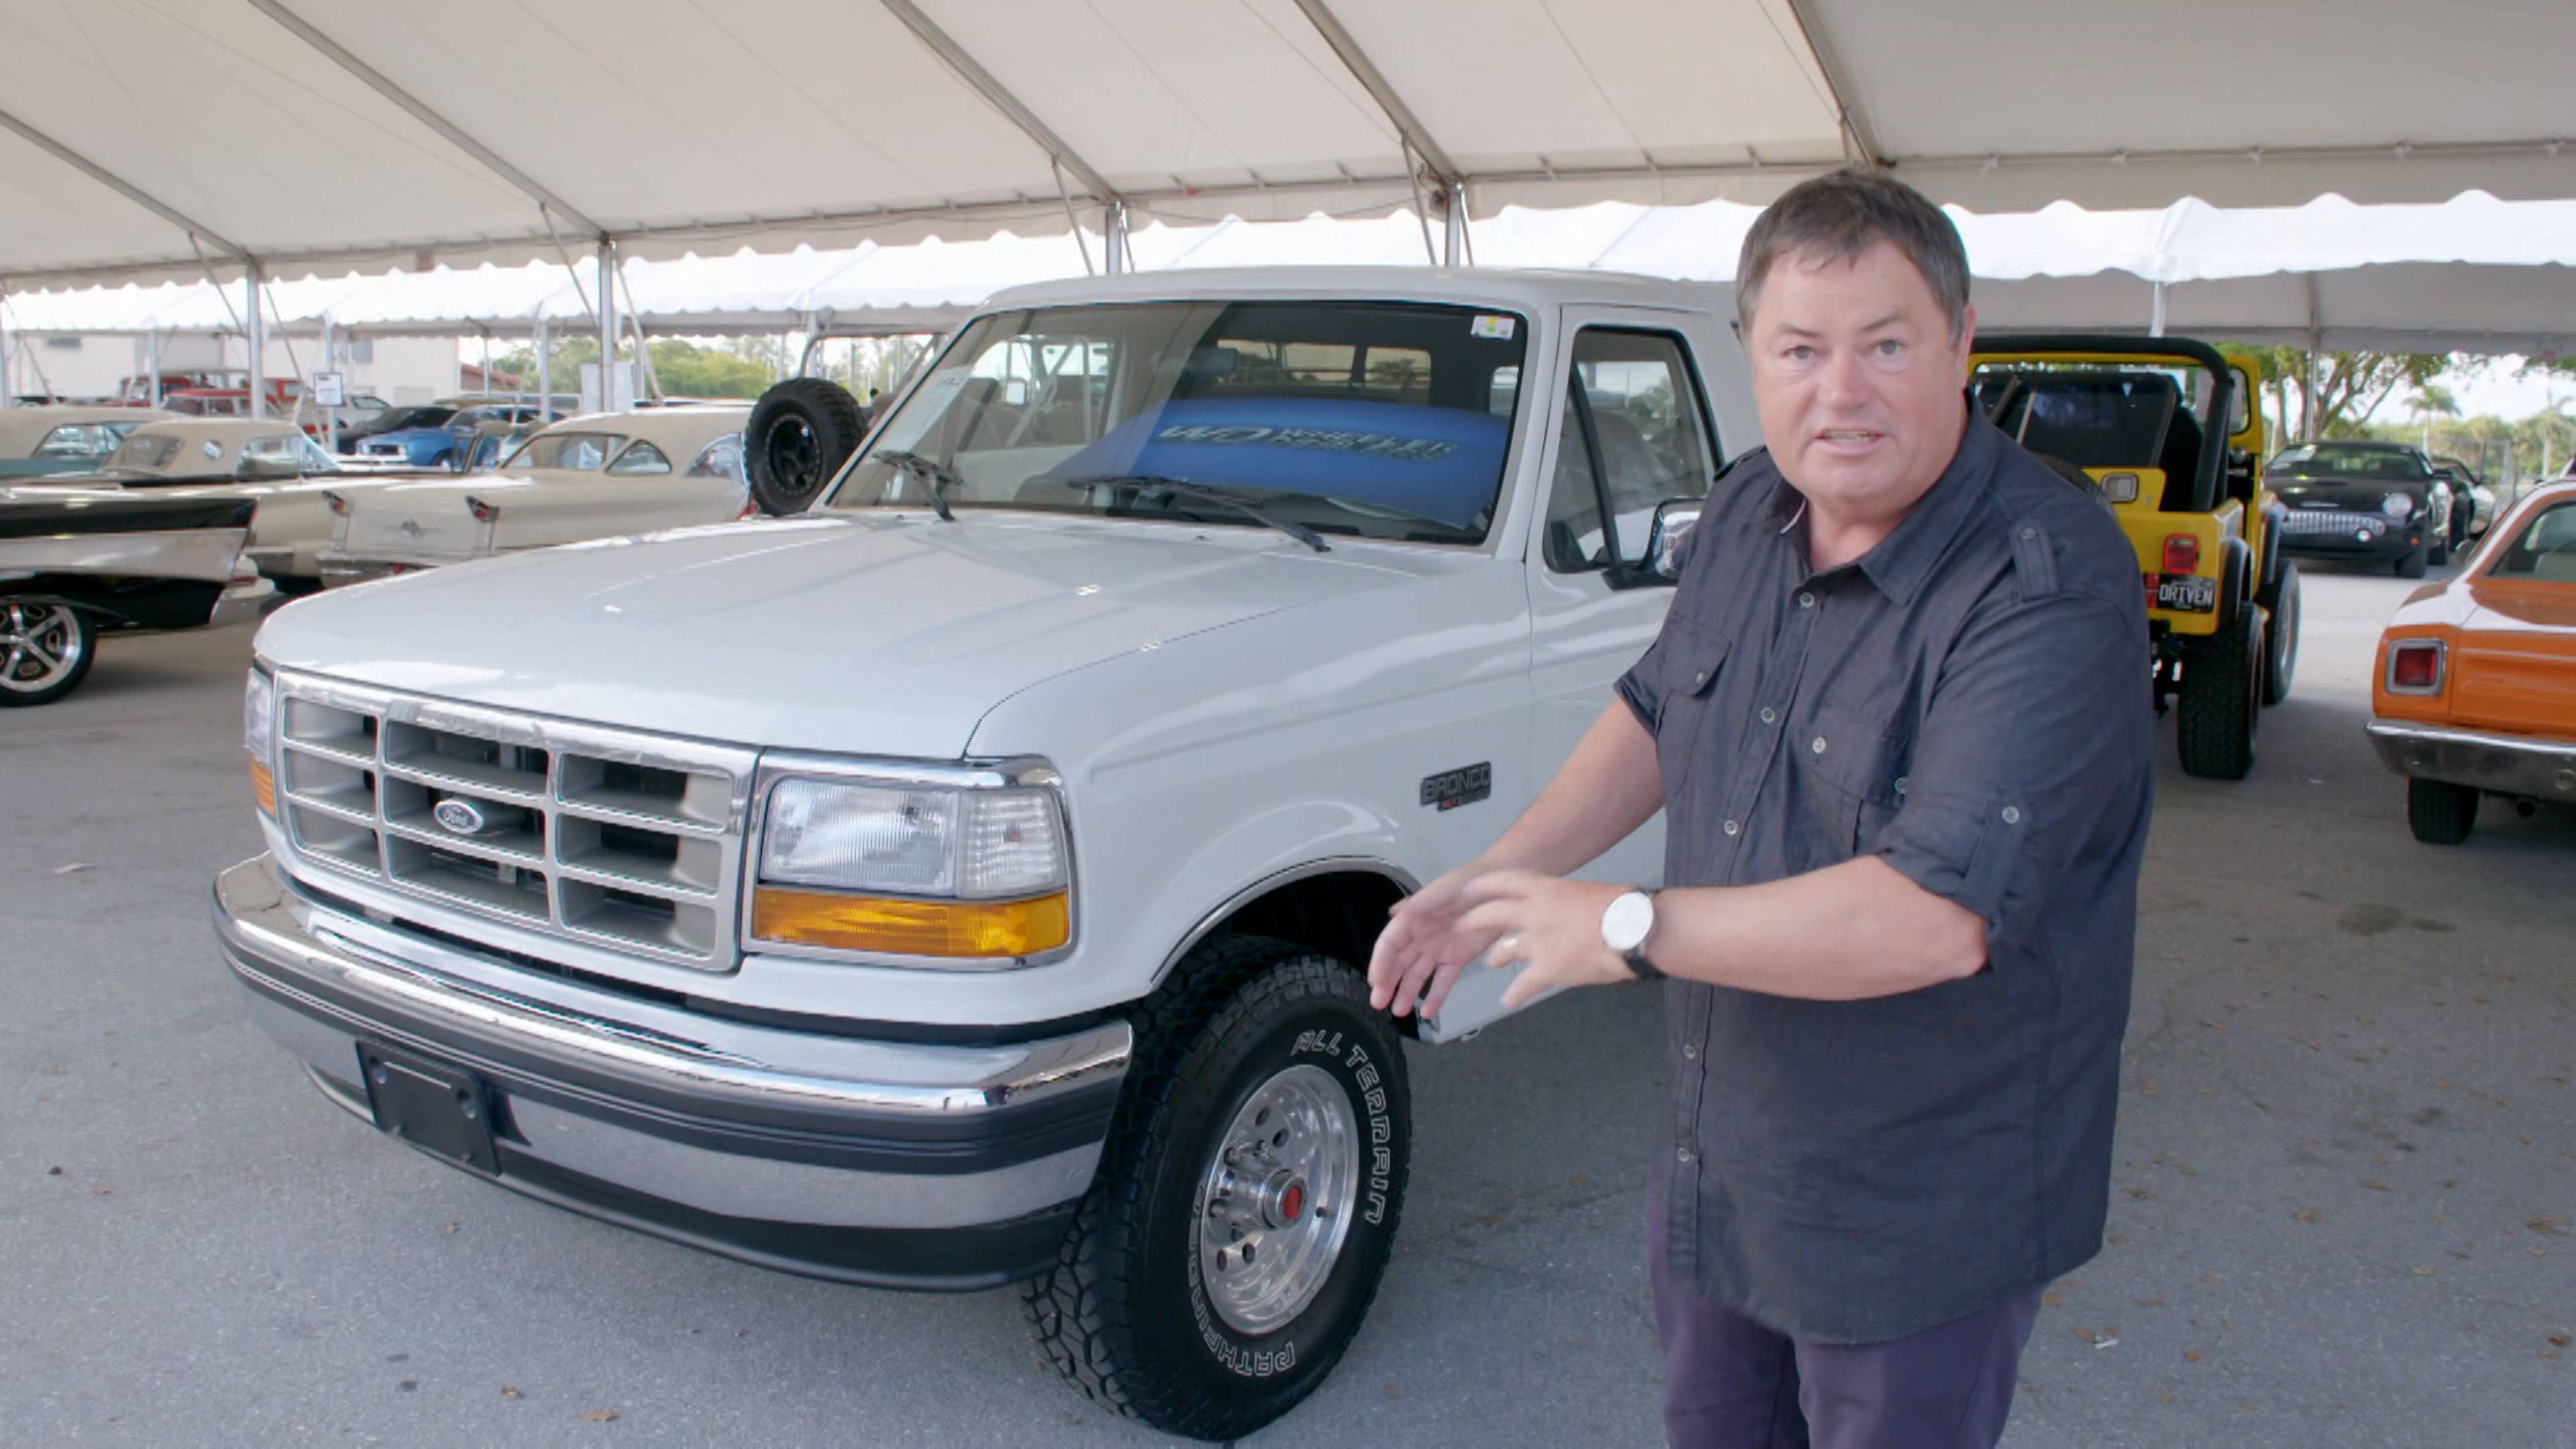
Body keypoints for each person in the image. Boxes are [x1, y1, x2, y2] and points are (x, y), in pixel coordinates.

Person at [1366, 168, 2154, 1448]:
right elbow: (1660, 710)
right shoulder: (1749, 504)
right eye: (1800, 349)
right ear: (1752, 357)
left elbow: (1934, 921)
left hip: (1920, 1210)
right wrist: (1494, 881)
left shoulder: (2043, 586)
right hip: (1724, 1163)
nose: (1840, 393)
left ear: (1961, 343)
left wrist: (1622, 925)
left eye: (1886, 345)